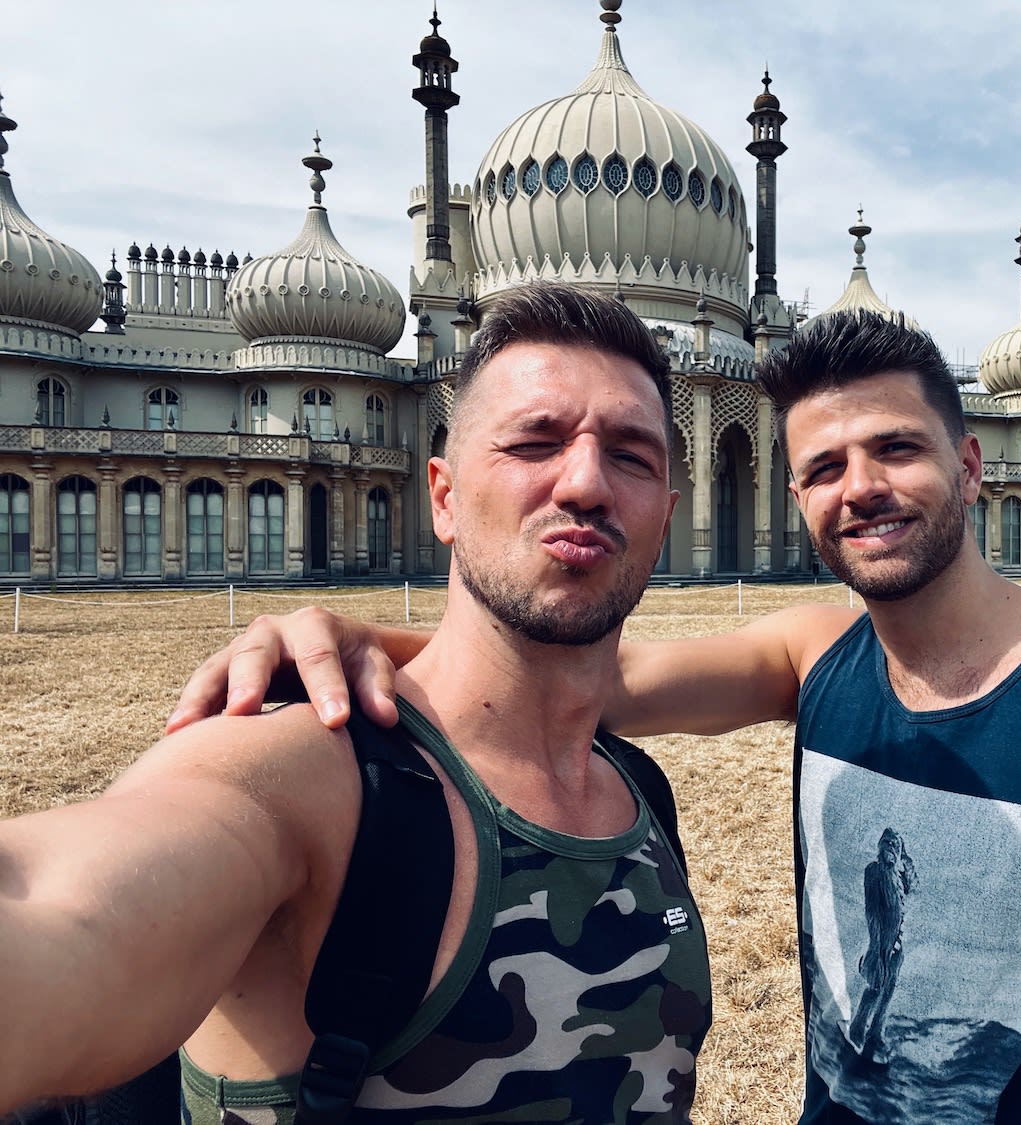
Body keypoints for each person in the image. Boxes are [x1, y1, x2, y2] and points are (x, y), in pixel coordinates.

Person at [171, 310, 1021, 1123]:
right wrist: (349, 641)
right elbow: (576, 682)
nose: (858, 486)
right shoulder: (817, 657)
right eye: (822, 467)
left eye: (896, 449)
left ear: (969, 466)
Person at [0, 283, 712, 1122]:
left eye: (631, 454)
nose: (586, 481)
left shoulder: (639, 795)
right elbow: (58, 912)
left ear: (665, 519)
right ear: (444, 496)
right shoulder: (311, 776)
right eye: (534, 442)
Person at [848, 828, 916, 1059]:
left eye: (894, 845)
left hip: (897, 944)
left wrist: (904, 856)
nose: (889, 847)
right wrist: (877, 945)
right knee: (874, 986)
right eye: (886, 843)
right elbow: (871, 911)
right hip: (880, 941)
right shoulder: (874, 871)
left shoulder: (898, 876)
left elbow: (913, 884)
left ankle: (875, 1034)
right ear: (879, 846)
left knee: (888, 990)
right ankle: (857, 1030)